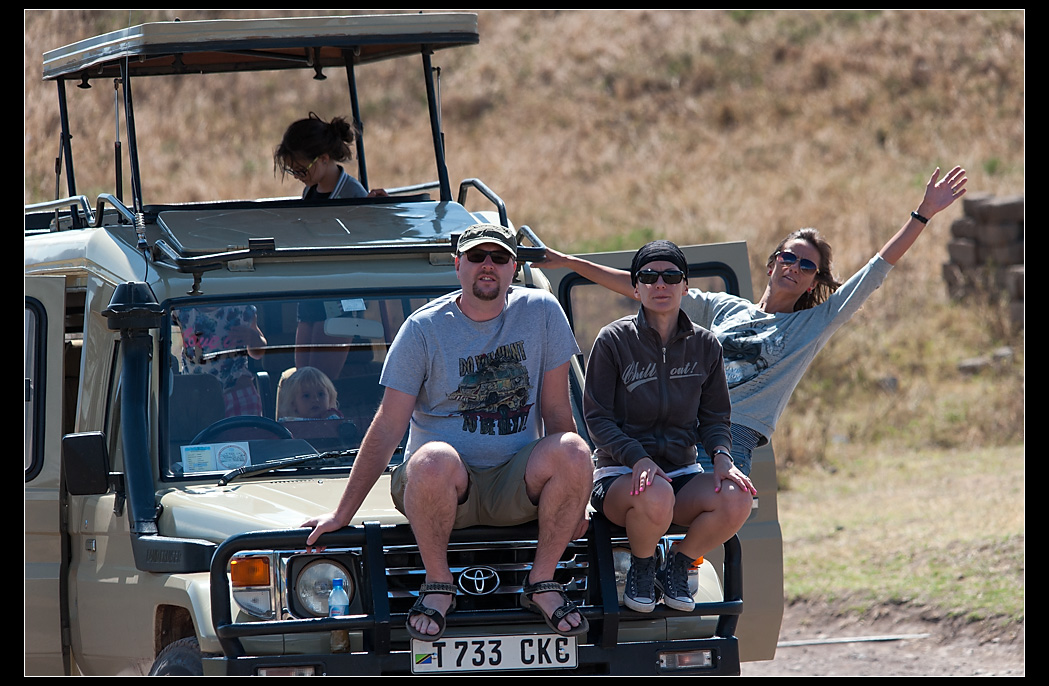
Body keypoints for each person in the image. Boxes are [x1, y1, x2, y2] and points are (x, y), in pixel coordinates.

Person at [544, 166, 967, 475]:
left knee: (705, 529)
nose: (795, 267)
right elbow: (649, 285)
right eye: (789, 257)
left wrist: (922, 214)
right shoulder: (723, 307)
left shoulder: (812, 325)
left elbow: (875, 271)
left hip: (731, 437)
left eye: (807, 266)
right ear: (771, 264)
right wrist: (569, 263)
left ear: (812, 282)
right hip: (675, 427)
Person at [302, 223, 594, 641]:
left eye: (499, 257)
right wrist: (342, 514)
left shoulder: (542, 312)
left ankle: (542, 581)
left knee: (575, 450)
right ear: (458, 265)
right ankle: (438, 584)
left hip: (515, 484)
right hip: (439, 487)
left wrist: (577, 500)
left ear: (514, 267)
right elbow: (388, 425)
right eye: (476, 256)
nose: (487, 265)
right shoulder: (423, 329)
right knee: (433, 459)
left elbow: (556, 412)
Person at [584, 240, 756, 613]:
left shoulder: (706, 345)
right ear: (635, 288)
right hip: (619, 476)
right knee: (656, 493)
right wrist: (638, 458)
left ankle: (678, 562)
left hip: (681, 473)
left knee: (738, 497)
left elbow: (715, 417)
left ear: (685, 286)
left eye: (671, 276)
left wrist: (722, 457)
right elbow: (596, 418)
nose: (660, 284)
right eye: (648, 276)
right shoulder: (613, 340)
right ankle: (642, 567)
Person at [173, 304, 267, 417]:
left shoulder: (240, 307)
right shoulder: (182, 308)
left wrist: (253, 338)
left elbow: (259, 354)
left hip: (237, 392)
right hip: (196, 397)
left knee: (245, 429)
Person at [274, 112, 370, 200]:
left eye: (301, 170)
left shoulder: (354, 194)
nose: (296, 176)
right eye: (294, 171)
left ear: (323, 158)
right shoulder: (309, 191)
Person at [276, 366, 344, 421]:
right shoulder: (289, 424)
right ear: (293, 403)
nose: (316, 399)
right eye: (306, 396)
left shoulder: (333, 420)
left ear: (330, 398)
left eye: (321, 394)